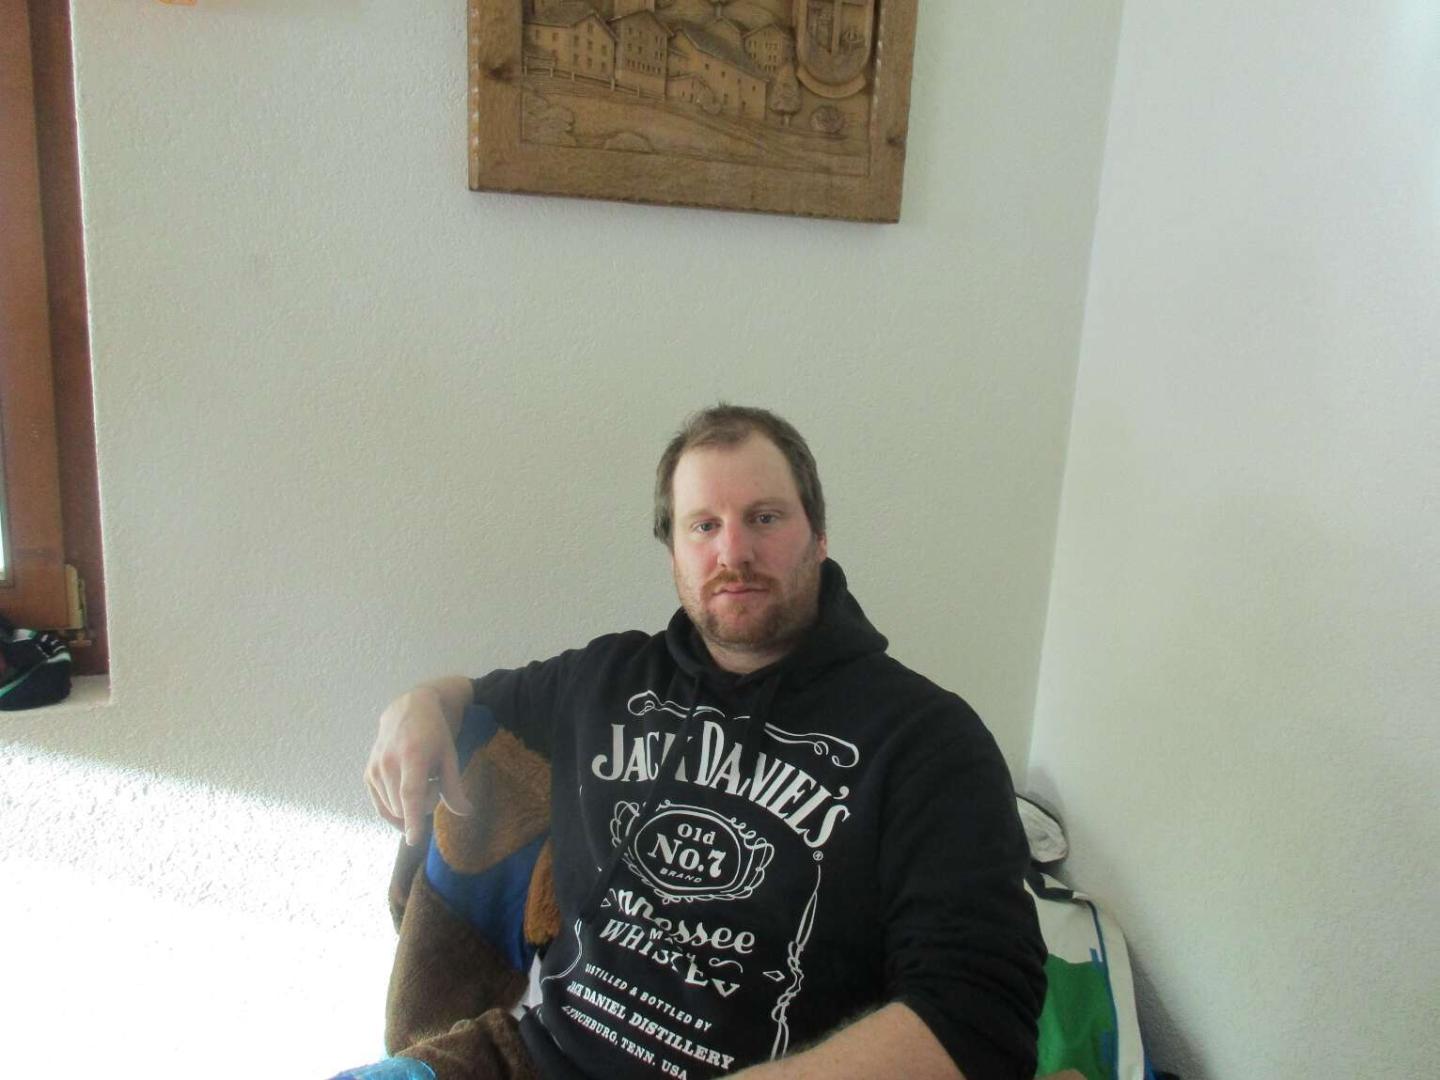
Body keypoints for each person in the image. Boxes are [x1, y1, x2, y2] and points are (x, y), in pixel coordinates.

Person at [366, 406, 1046, 1080]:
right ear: (674, 551)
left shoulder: (929, 742)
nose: (734, 553)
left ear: (819, 536)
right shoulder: (604, 679)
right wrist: (416, 705)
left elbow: (979, 1018)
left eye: (765, 518)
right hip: (530, 1061)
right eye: (704, 526)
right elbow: (475, 699)